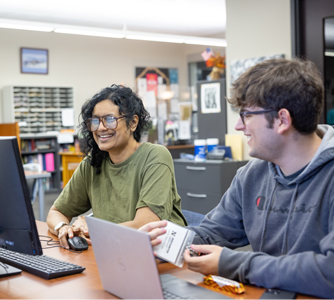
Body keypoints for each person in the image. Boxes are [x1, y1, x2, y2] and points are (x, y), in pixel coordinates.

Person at [140, 58, 334, 298]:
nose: (239, 125)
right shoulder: (252, 175)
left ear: (282, 120)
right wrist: (161, 241)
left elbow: (329, 272)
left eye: (246, 115)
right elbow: (213, 232)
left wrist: (235, 264)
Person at [47, 84, 187, 249]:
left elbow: (145, 226)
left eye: (110, 119)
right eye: (95, 121)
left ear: (133, 122)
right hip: (111, 249)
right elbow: (56, 212)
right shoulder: (93, 162)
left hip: (161, 256)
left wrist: (90, 229)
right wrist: (64, 228)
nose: (100, 128)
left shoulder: (155, 156)